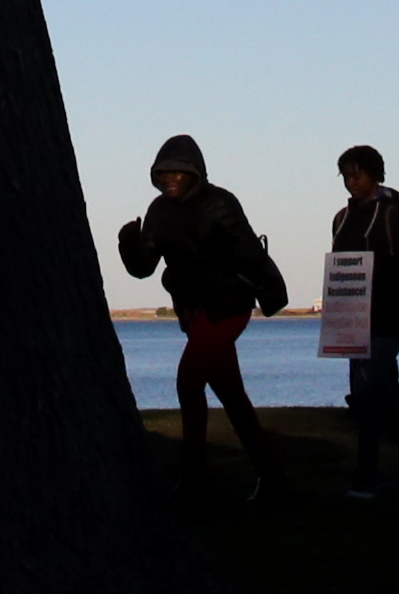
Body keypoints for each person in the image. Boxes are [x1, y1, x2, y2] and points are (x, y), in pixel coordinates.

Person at [118, 137, 290, 499]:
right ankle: (273, 479)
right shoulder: (159, 211)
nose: (171, 179)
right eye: (164, 173)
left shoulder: (220, 203)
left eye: (179, 172)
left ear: (195, 172)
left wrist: (221, 279)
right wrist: (128, 243)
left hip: (228, 306)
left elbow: (248, 255)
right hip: (193, 310)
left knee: (188, 382)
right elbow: (142, 267)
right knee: (231, 394)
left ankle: (194, 483)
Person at [329, 146, 399, 499]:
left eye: (357, 175)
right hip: (354, 318)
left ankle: (366, 474)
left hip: (389, 316)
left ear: (374, 174)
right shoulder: (342, 218)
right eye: (346, 176)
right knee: (375, 394)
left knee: (369, 391)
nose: (351, 183)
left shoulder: (390, 215)